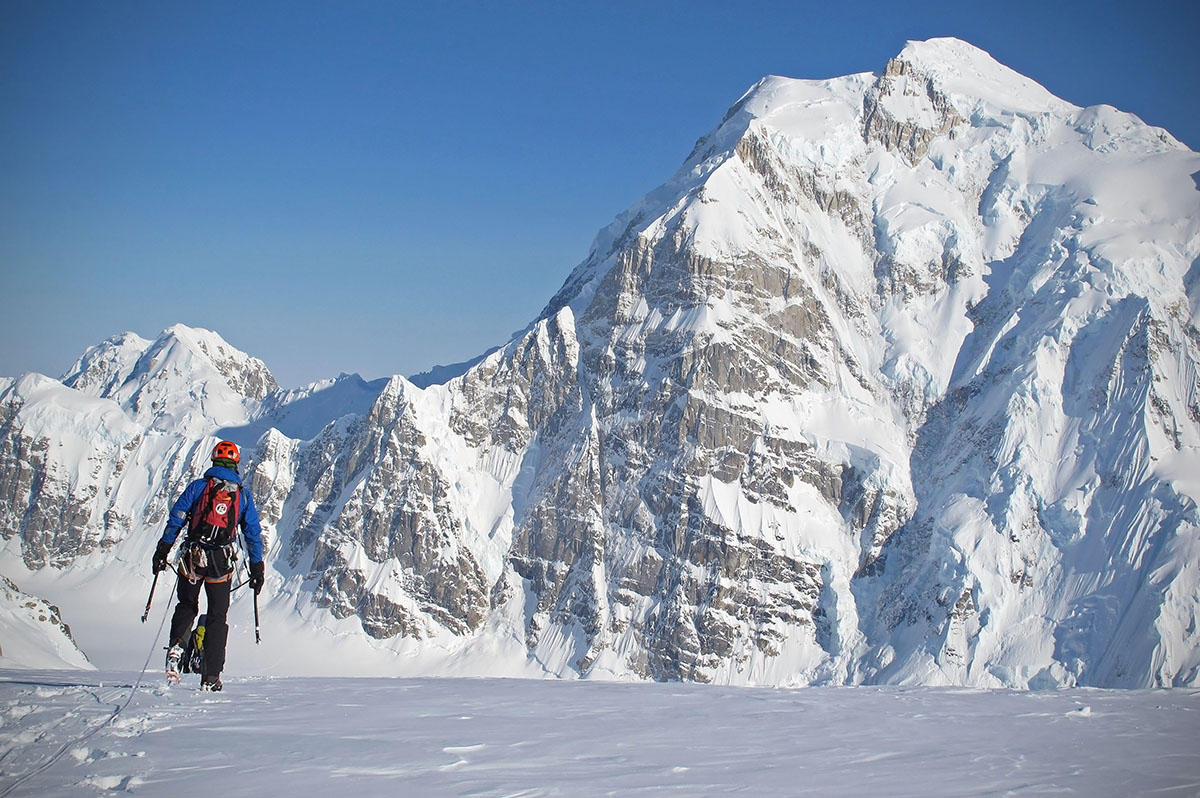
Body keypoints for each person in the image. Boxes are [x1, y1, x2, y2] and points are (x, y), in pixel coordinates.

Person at [152, 439, 265, 691]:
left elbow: (177, 518)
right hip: (220, 563)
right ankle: (211, 676)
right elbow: (253, 534)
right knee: (217, 616)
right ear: (236, 464)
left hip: (193, 557)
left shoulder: (198, 487)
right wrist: (257, 568)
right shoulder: (242, 497)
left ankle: (177, 647)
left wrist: (163, 549)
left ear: (213, 460)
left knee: (187, 604)